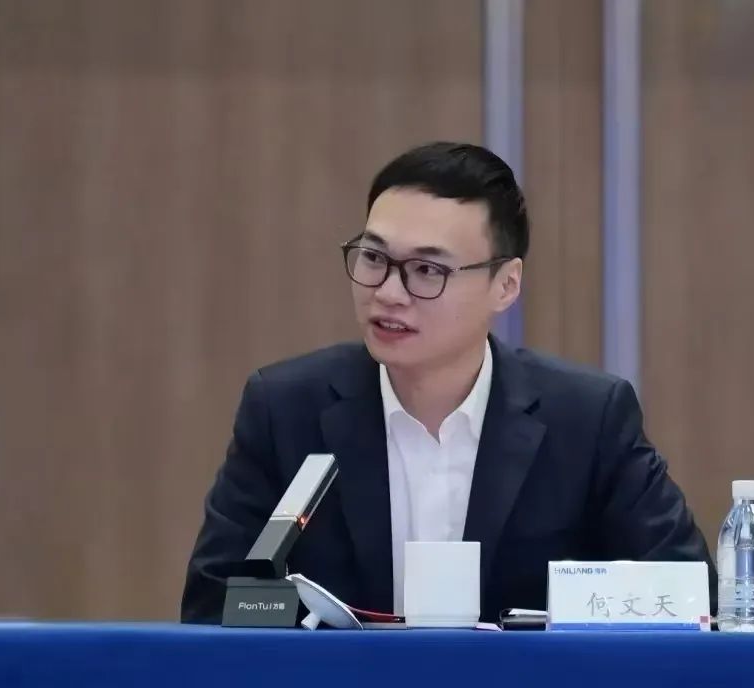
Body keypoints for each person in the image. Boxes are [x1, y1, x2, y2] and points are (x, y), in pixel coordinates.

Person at [181, 141, 714, 623]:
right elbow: (214, 603)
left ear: (505, 285)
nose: (388, 293)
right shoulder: (285, 409)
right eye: (374, 258)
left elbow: (691, 600)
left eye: (427, 270)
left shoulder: (587, 418)